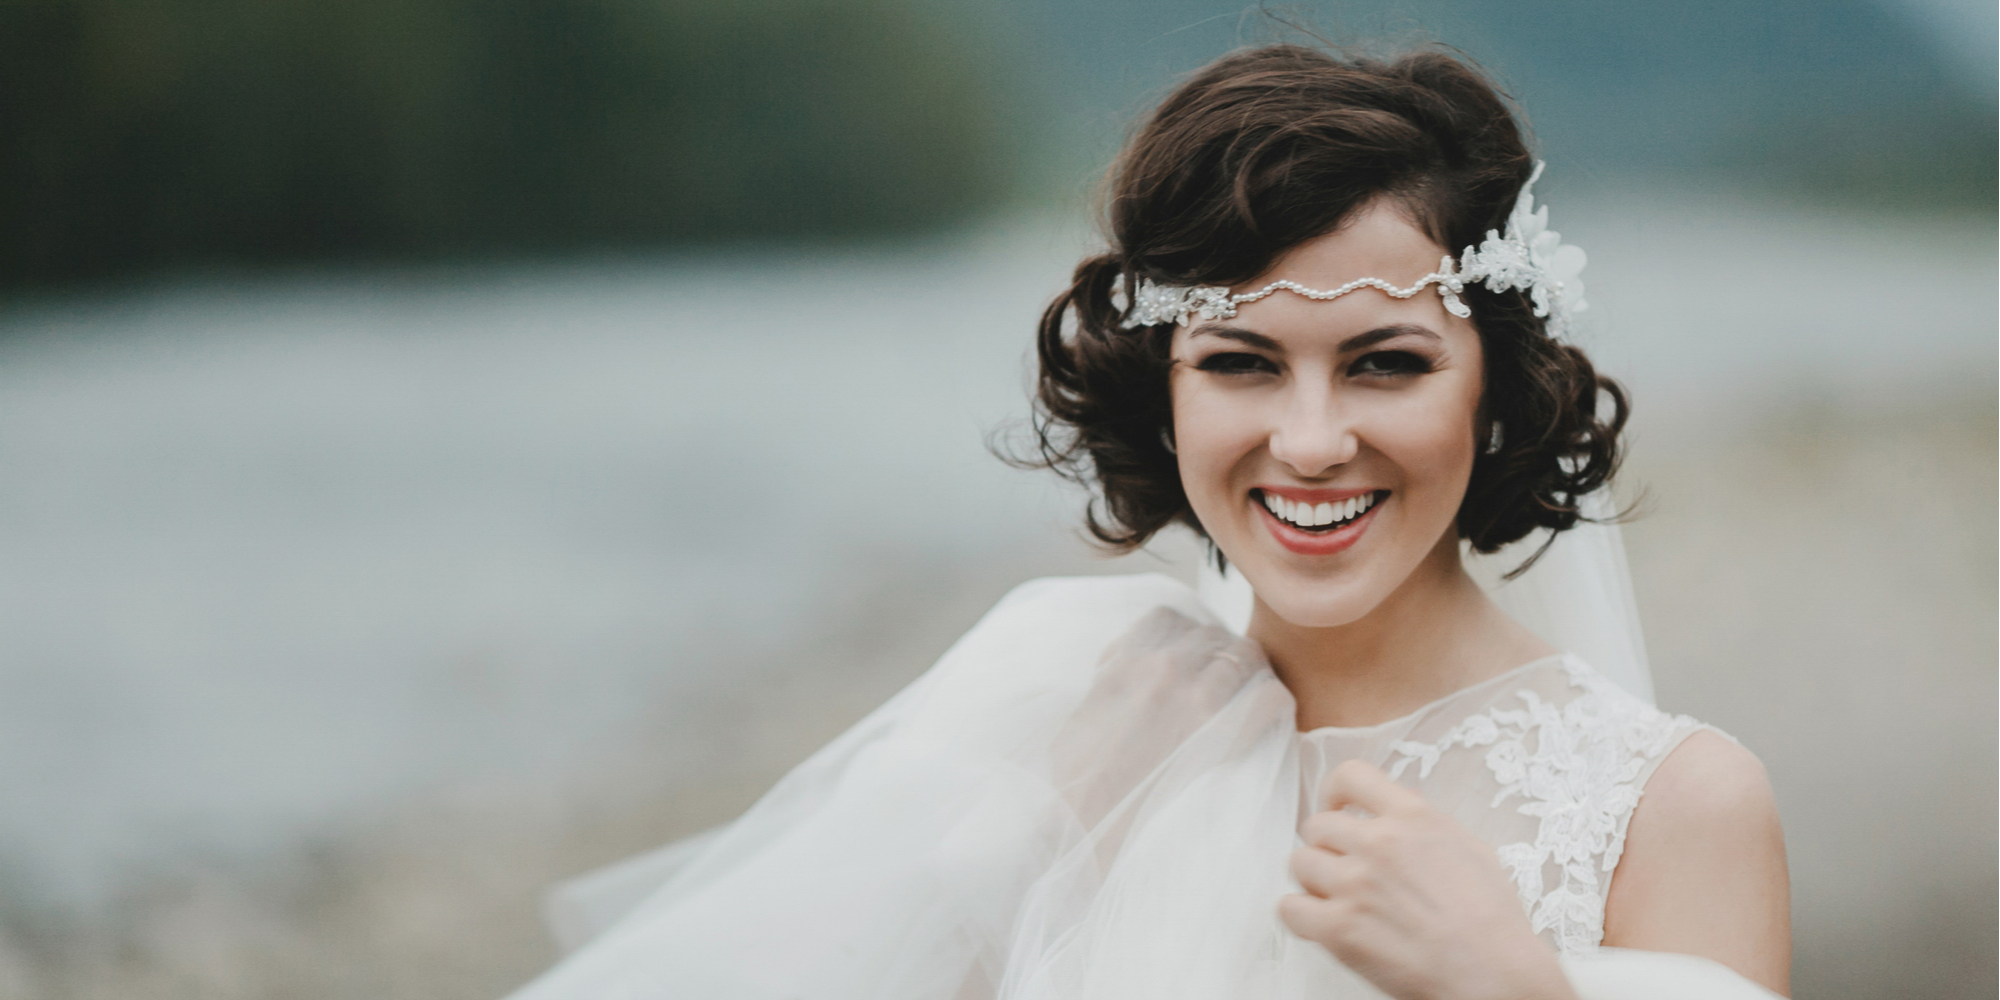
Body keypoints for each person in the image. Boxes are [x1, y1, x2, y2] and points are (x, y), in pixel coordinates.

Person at [508, 44, 1791, 999]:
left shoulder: (1674, 805)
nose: (1306, 440)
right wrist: (1046, 841)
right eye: (1239, 362)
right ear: (1161, 392)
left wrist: (1511, 986)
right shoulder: (1085, 702)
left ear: (1492, 384)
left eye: (1383, 363)